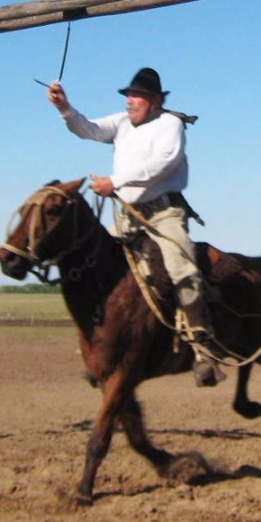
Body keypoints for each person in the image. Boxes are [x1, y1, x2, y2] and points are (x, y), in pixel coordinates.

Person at [47, 66, 225, 387]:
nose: (130, 101)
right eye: (128, 95)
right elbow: (86, 129)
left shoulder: (170, 124)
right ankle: (104, 347)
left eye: (137, 96)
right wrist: (64, 108)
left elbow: (164, 162)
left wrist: (114, 181)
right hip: (126, 216)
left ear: (155, 100)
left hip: (163, 215)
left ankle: (201, 348)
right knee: (100, 272)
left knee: (181, 266)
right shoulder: (121, 123)